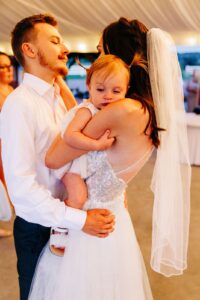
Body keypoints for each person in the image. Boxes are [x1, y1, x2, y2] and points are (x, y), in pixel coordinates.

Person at [28, 18, 191, 300]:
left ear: (118, 56)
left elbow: (54, 158)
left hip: (87, 223)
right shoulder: (147, 110)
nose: (98, 58)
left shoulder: (119, 111)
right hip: (115, 219)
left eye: (102, 50)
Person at [1, 14, 115, 300]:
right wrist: (79, 219)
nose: (64, 48)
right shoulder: (19, 104)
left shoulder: (59, 99)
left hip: (70, 219)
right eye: (54, 41)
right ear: (29, 50)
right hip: (39, 229)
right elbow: (22, 190)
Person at [49, 54, 130, 255]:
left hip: (85, 163)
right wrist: (96, 144)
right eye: (100, 89)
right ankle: (59, 230)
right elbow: (69, 135)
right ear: (88, 86)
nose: (108, 96)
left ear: (126, 90)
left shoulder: (115, 112)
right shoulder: (87, 110)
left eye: (116, 91)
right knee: (78, 196)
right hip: (70, 164)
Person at [0, 52, 13, 237]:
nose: (8, 70)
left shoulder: (10, 90)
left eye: (9, 65)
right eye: (2, 67)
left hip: (8, 143)